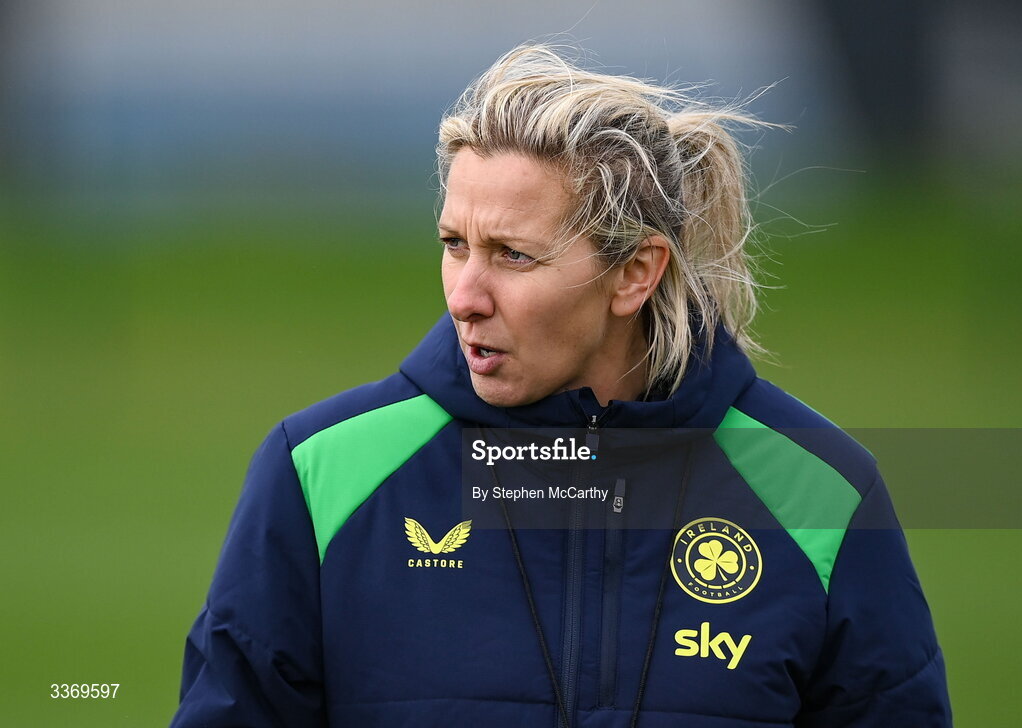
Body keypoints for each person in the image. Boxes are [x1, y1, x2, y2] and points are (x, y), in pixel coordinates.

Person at [170, 45, 952, 727]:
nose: (464, 295)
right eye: (454, 245)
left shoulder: (818, 495)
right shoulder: (321, 474)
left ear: (635, 274)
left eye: (513, 255)